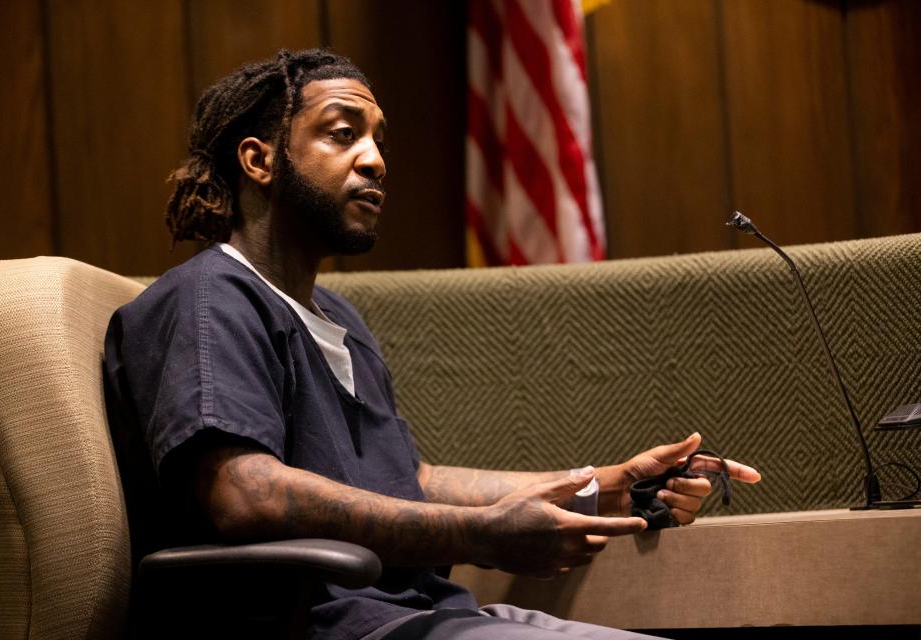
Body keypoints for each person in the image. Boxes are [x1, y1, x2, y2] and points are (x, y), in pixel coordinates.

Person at [102, 49, 761, 640]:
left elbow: (409, 481)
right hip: (326, 624)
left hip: (422, 609)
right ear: (259, 158)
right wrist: (483, 536)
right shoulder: (209, 298)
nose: (375, 159)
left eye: (379, 140)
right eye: (342, 134)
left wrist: (597, 489)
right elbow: (246, 494)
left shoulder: (336, 317)